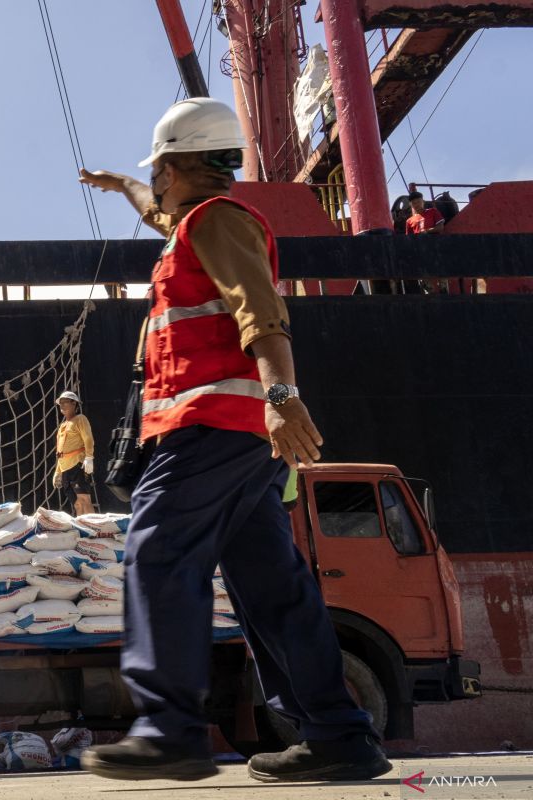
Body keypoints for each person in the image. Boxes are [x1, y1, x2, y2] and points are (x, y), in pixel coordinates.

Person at [77, 98, 389, 784]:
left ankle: (170, 731)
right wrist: (118, 185)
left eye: (156, 167)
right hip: (241, 441)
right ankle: (339, 737)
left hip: (209, 426)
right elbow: (154, 213)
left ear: (182, 163)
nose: (153, 178)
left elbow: (262, 312)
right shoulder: (193, 221)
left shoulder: (217, 222)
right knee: (272, 589)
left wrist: (283, 395)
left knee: (157, 552)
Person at [52, 391, 95, 515]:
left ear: (74, 403)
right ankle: (85, 531)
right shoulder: (63, 426)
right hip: (65, 469)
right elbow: (60, 452)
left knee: (84, 500)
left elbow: (88, 438)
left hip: (77, 465)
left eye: (65, 402)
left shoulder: (80, 419)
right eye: (60, 403)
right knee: (76, 503)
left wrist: (89, 457)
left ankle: (96, 530)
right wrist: (57, 472)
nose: (62, 406)